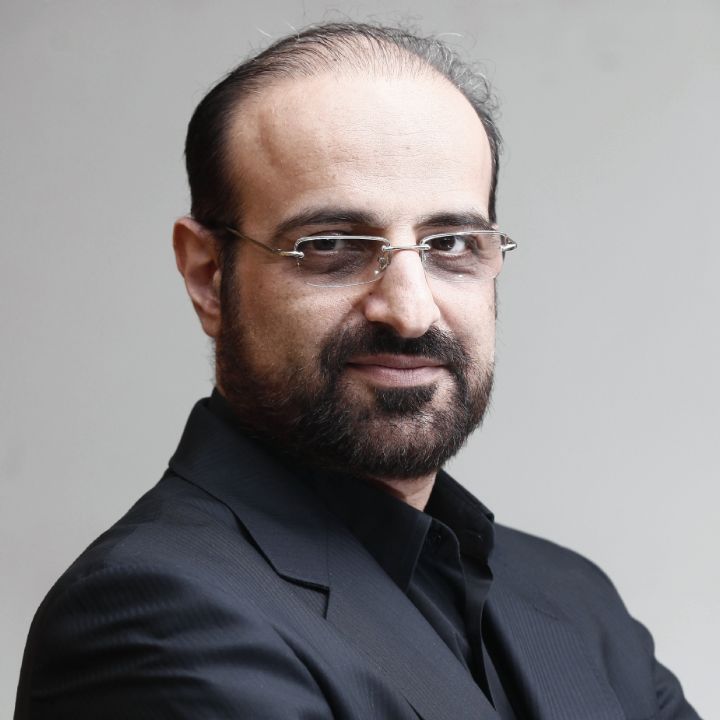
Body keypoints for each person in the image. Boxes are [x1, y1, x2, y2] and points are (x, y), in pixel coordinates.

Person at [14, 22, 700, 720]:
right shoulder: (153, 619)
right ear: (208, 276)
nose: (410, 311)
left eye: (451, 243)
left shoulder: (576, 600)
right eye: (331, 245)